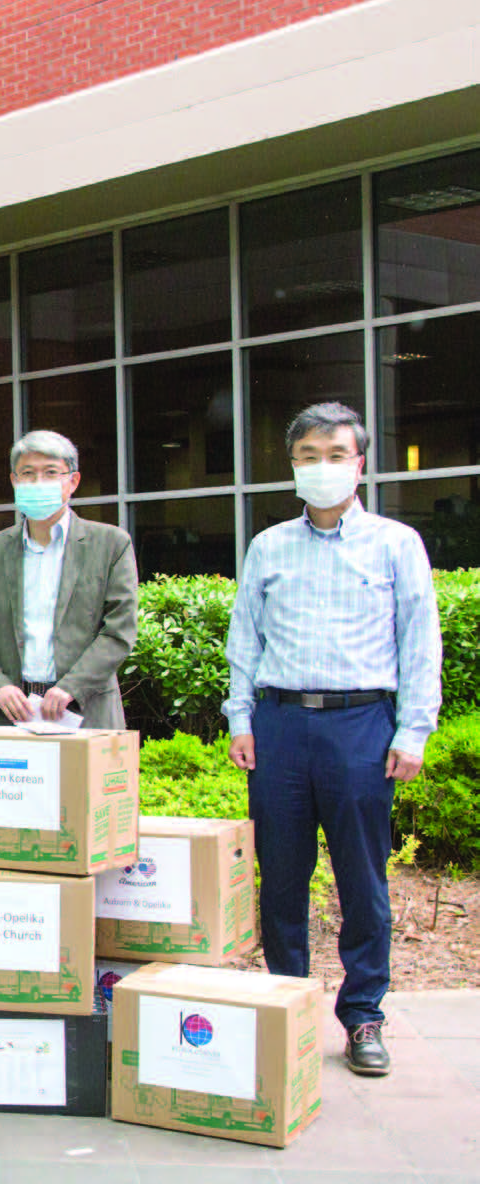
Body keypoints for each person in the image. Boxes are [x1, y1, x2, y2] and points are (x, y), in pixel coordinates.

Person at [225, 402, 441, 1078]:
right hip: (281, 725)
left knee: (362, 879)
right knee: (281, 876)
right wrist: (241, 718)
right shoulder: (269, 547)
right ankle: (287, 1003)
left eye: (336, 454)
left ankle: (364, 1013)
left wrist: (413, 730)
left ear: (360, 462)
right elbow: (244, 640)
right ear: (292, 465)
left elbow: (420, 642)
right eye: (309, 455)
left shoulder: (396, 543)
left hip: (361, 726)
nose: (323, 466)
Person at [0, 430, 140, 728]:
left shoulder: (110, 545)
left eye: (51, 472)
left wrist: (72, 686)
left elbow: (119, 631)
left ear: (73, 482)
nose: (38, 482)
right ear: (14, 480)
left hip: (86, 711)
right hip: (11, 714)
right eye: (27, 473)